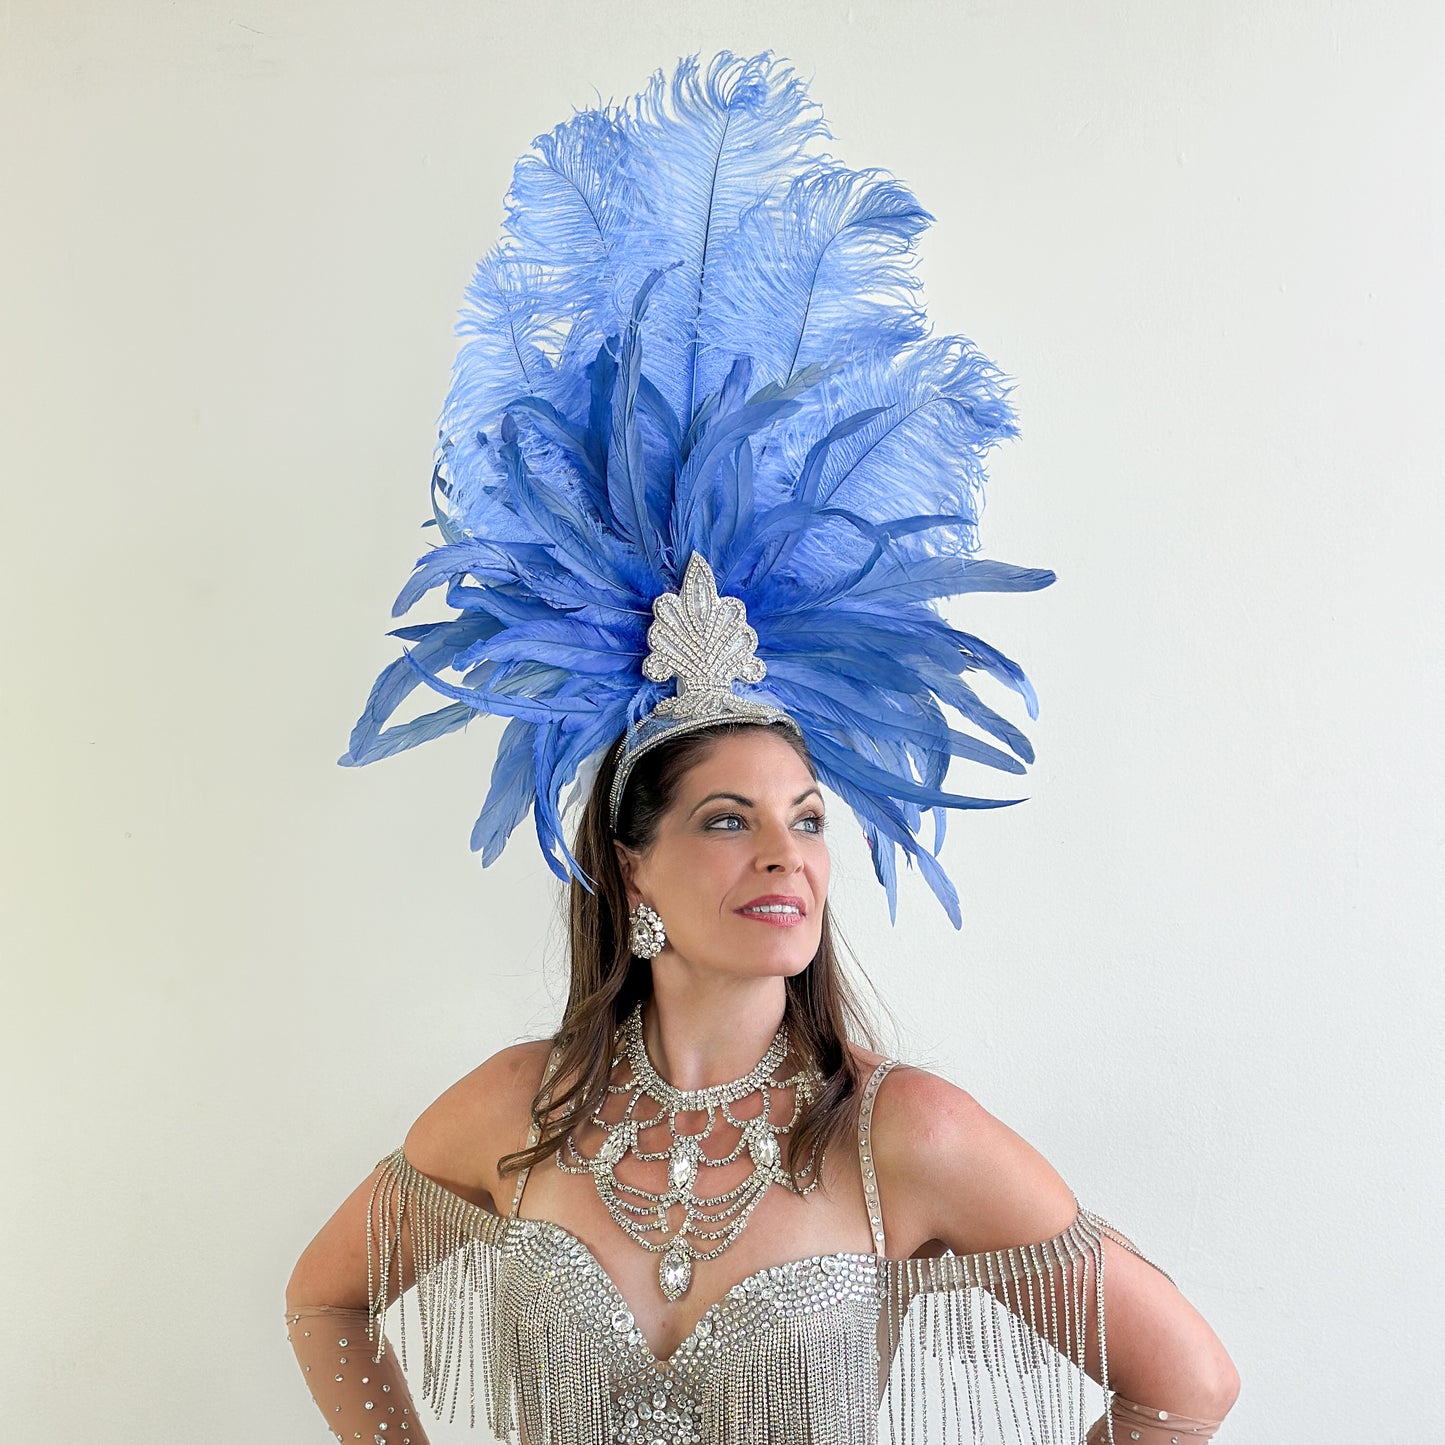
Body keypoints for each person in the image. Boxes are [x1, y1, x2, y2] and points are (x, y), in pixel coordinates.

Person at [285, 49, 1239, 1443]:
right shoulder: (516, 1109)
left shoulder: (900, 1135)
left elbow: (1187, 1383)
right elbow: (326, 1301)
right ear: (633, 867)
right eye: (728, 820)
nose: (784, 851)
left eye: (803, 816)